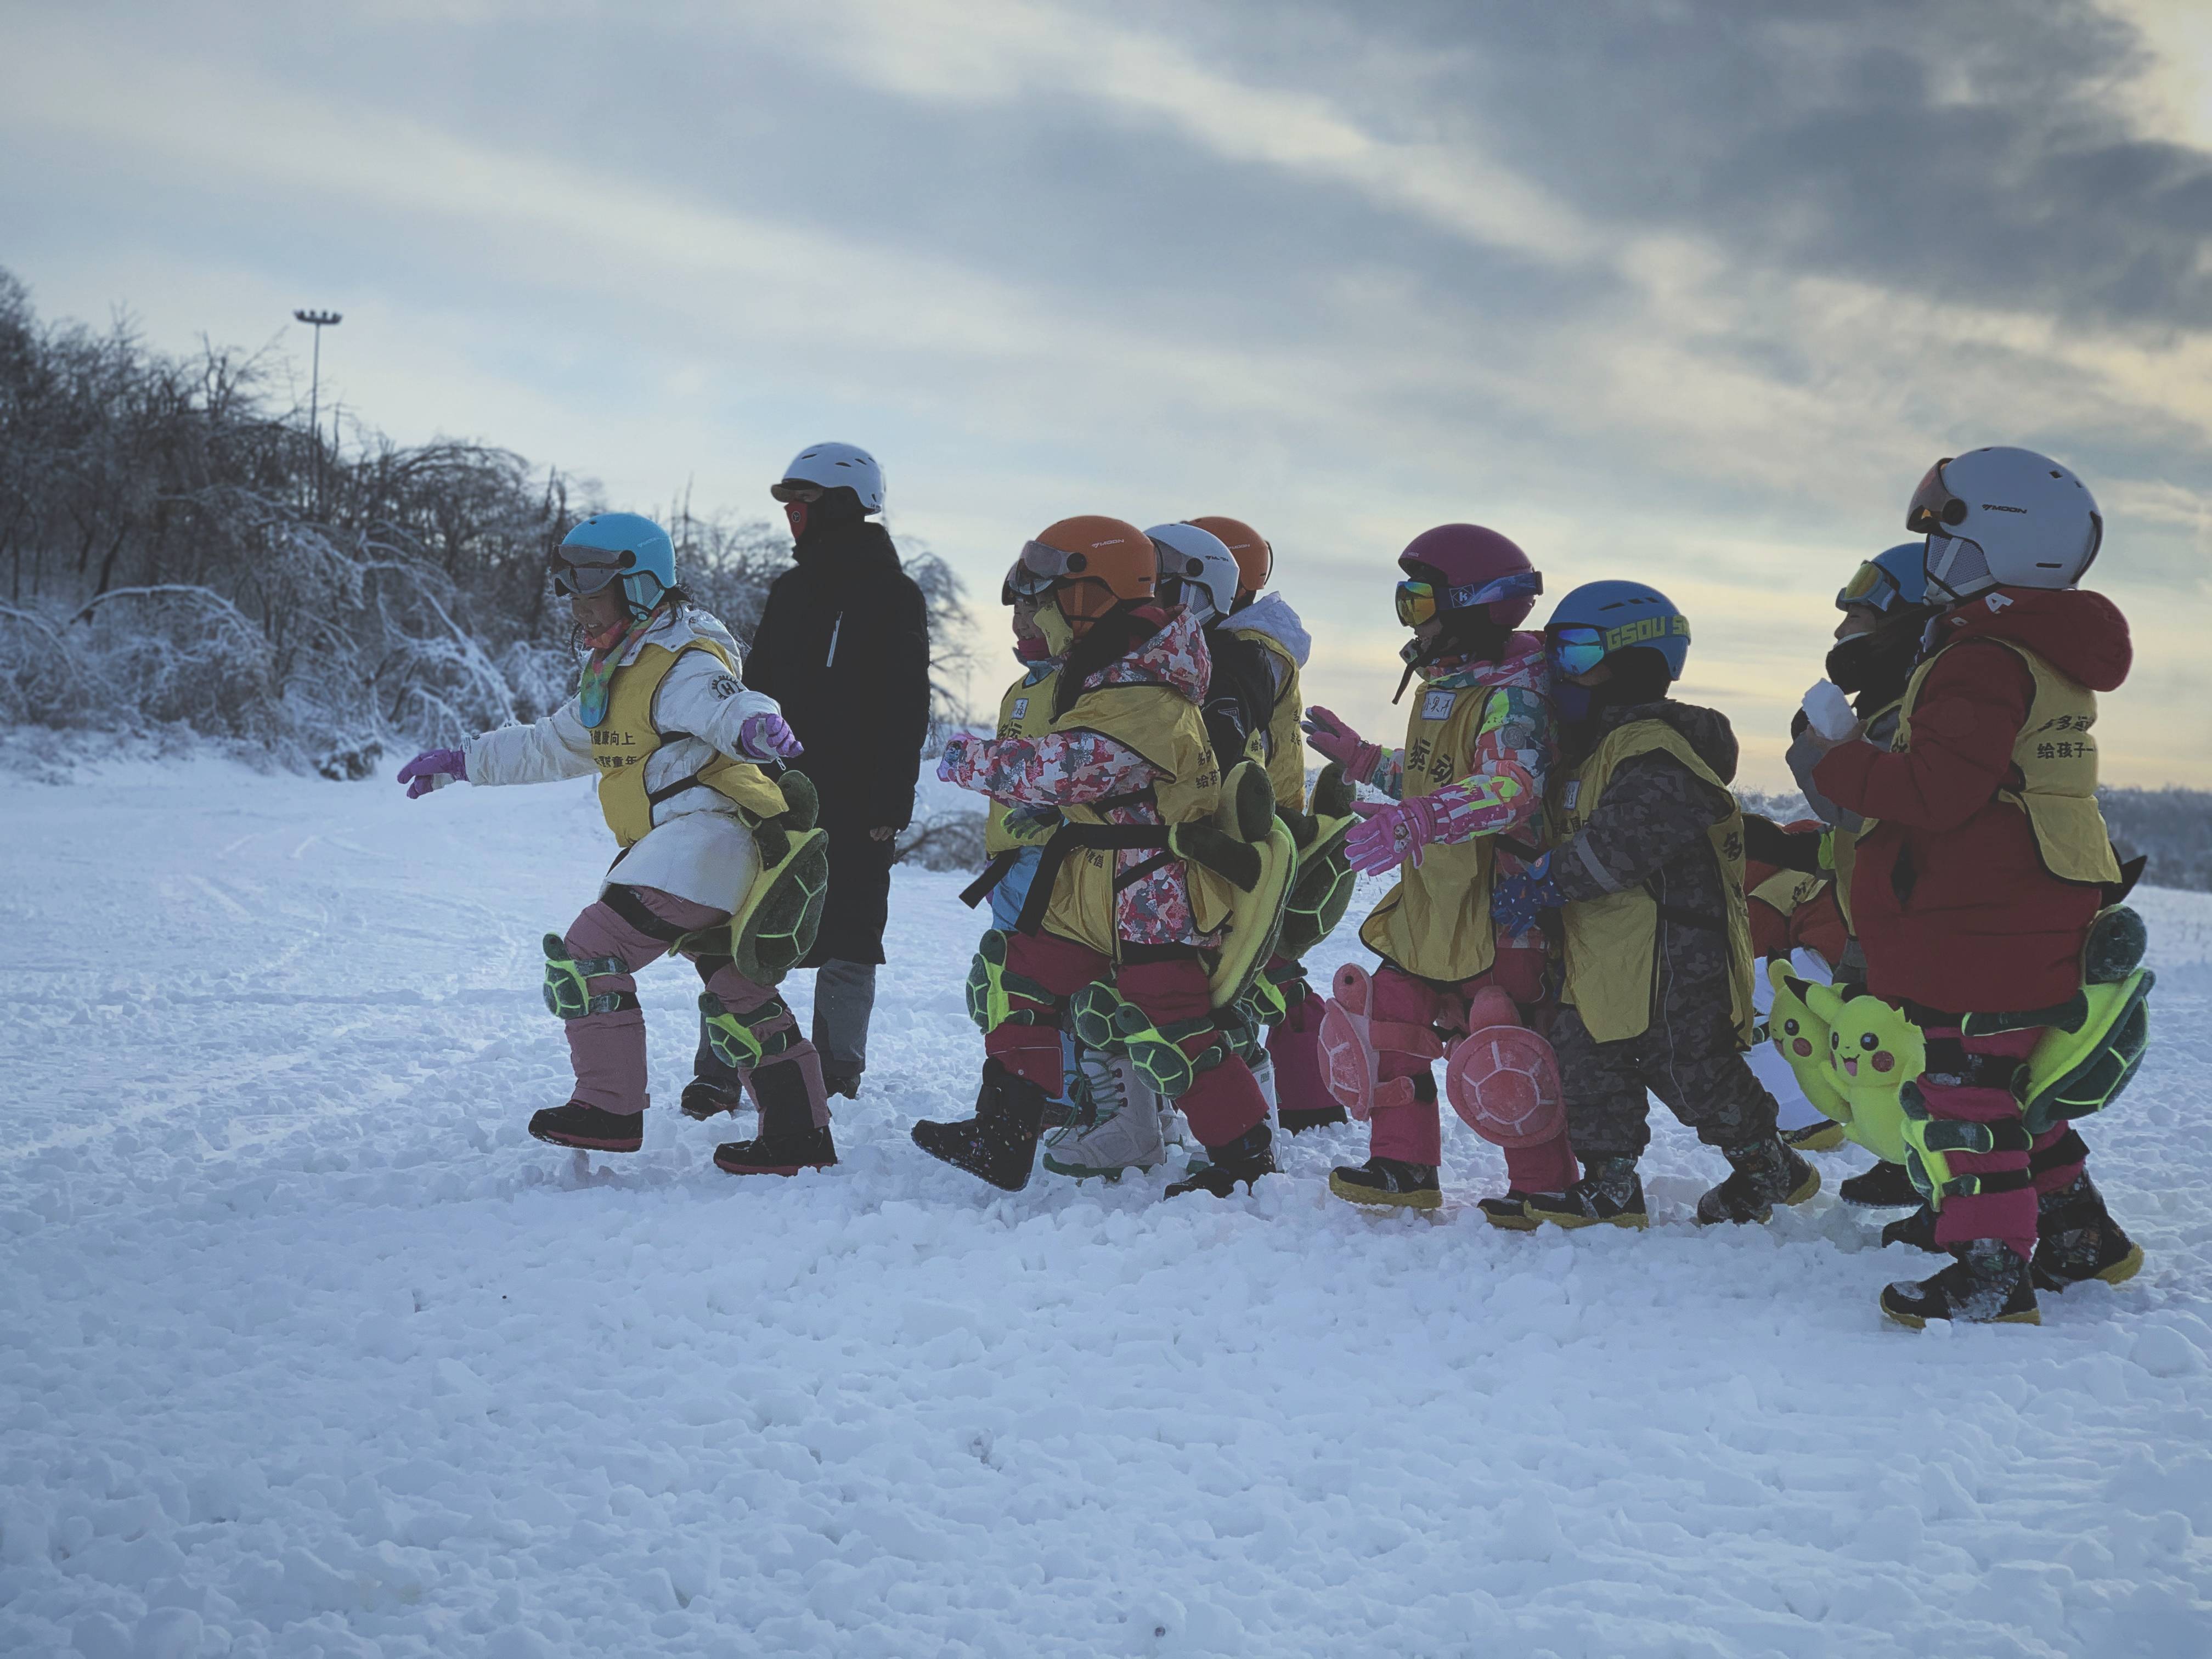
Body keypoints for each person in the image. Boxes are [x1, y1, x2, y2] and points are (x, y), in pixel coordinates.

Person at [1801, 448, 2142, 1325]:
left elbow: (1934, 793)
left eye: (1945, 539)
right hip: (2019, 910)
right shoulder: (2036, 652)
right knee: (2012, 1088)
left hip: (1984, 921)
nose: (1936, 563)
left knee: (1962, 1098)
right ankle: (2080, 1236)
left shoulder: (1982, 658)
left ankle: (1991, 1272)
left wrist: (1833, 762)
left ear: (1998, 541)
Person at [394, 512, 837, 1174]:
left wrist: (758, 728)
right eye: (571, 593)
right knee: (737, 990)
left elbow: (729, 702)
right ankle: (799, 1135)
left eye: (593, 591)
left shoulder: (680, 662)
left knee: (591, 952)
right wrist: (465, 760)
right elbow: (551, 744)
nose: (580, 607)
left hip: (705, 845)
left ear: (640, 587)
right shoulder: (616, 673)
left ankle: (609, 1107)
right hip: (697, 855)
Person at [914, 516, 1277, 1196]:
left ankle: (1245, 1155)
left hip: (1150, 893)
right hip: (1095, 884)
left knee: (1172, 1024)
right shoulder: (1113, 673)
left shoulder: (1145, 691)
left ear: (1086, 599)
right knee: (1021, 979)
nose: (1034, 618)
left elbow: (1070, 766)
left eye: (1042, 601)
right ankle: (1005, 1134)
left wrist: (959, 755)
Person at [1494, 580, 1818, 1230]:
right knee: (1588, 1061)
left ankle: (1766, 1163)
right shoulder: (1589, 752)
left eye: (1580, 655)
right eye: (1555, 658)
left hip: (1677, 951)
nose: (1565, 675)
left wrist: (1546, 879)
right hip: (1605, 949)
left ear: (1640, 662)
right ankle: (1611, 1183)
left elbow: (1620, 846)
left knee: (1694, 1068)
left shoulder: (1658, 753)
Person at [1301, 524, 1573, 1218]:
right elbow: (1436, 774)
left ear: (1473, 605)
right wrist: (1365, 761)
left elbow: (1511, 786)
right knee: (1390, 1019)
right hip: (1433, 897)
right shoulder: (1445, 685)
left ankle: (1544, 1180)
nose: (1410, 620)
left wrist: (1418, 822)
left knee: (1499, 1035)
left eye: (1418, 603)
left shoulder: (1515, 693)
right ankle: (1401, 1165)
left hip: (1500, 902)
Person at [738, 443, 932, 1102]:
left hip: (857, 800)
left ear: (845, 504)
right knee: (751, 928)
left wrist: (890, 804)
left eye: (805, 500)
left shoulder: (894, 595)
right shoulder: (790, 589)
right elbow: (753, 691)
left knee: (850, 932)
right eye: (790, 502)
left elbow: (907, 706)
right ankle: (728, 1070)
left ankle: (836, 1074)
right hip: (775, 791)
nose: (792, 513)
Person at [1188, 515, 1346, 1133]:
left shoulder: (1246, 649)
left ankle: (1284, 1099)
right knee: (1267, 960)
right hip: (1266, 811)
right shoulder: (1251, 643)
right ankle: (1309, 1097)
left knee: (1254, 961)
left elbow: (1226, 733)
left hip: (1255, 819)